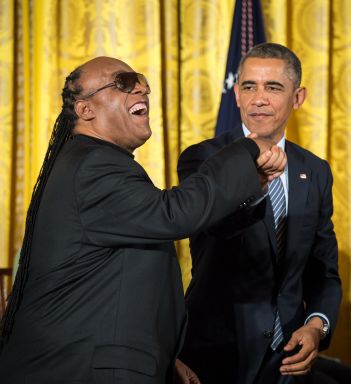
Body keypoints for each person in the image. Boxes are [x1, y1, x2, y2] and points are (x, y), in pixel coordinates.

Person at [0, 56, 285, 384]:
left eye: (142, 83)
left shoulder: (97, 163)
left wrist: (165, 358)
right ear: (85, 110)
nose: (141, 89)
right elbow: (173, 214)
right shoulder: (93, 167)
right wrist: (246, 149)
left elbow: (118, 285)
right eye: (123, 83)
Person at [177, 43, 342, 384]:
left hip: (289, 358)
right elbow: (216, 233)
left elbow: (323, 268)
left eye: (273, 87)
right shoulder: (203, 159)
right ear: (236, 94)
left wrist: (316, 325)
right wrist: (256, 187)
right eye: (249, 86)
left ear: (298, 97)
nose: (259, 98)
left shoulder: (314, 170)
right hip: (217, 355)